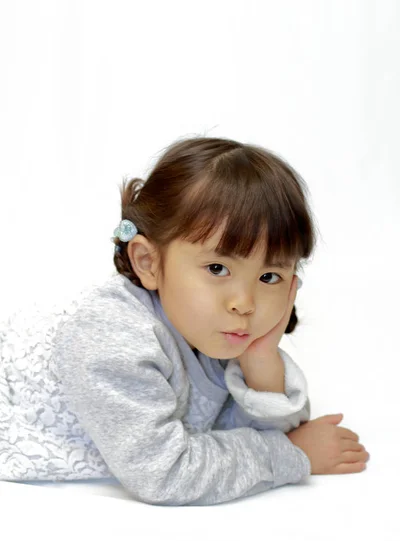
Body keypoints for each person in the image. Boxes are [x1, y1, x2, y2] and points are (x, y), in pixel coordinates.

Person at [0, 135, 369, 506]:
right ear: (148, 262)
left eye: (269, 277)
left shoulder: (209, 329)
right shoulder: (113, 338)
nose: (244, 303)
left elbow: (238, 428)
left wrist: (261, 360)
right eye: (217, 268)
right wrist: (289, 454)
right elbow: (164, 473)